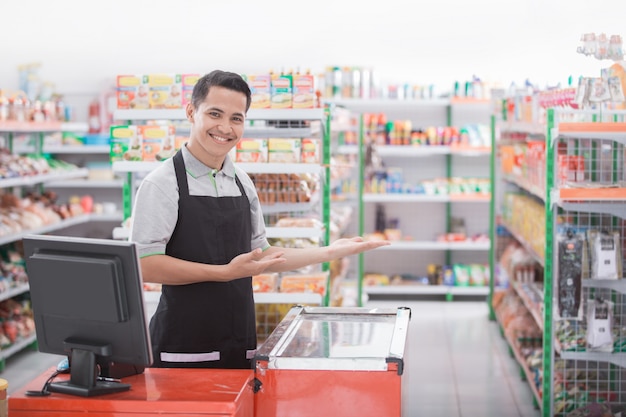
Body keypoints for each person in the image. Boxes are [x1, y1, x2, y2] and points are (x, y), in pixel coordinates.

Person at [129, 70, 389, 370]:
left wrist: (330, 251)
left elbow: (264, 254)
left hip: (240, 343)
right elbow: (144, 264)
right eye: (215, 114)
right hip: (182, 348)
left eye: (236, 118)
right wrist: (223, 273)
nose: (225, 127)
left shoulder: (241, 181)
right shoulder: (162, 183)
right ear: (191, 112)